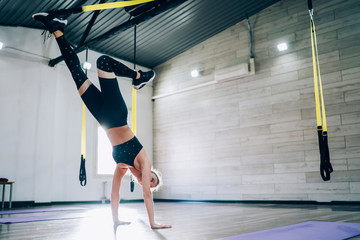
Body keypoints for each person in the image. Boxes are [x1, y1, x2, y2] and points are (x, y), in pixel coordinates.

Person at [32, 10, 171, 229]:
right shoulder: (144, 161)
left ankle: (57, 28)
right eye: (152, 179)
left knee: (75, 71)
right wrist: (153, 223)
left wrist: (115, 220)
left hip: (102, 117)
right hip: (116, 114)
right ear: (150, 173)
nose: (149, 181)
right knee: (104, 62)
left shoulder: (123, 166)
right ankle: (139, 77)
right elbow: (146, 195)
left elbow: (114, 194)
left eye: (150, 183)